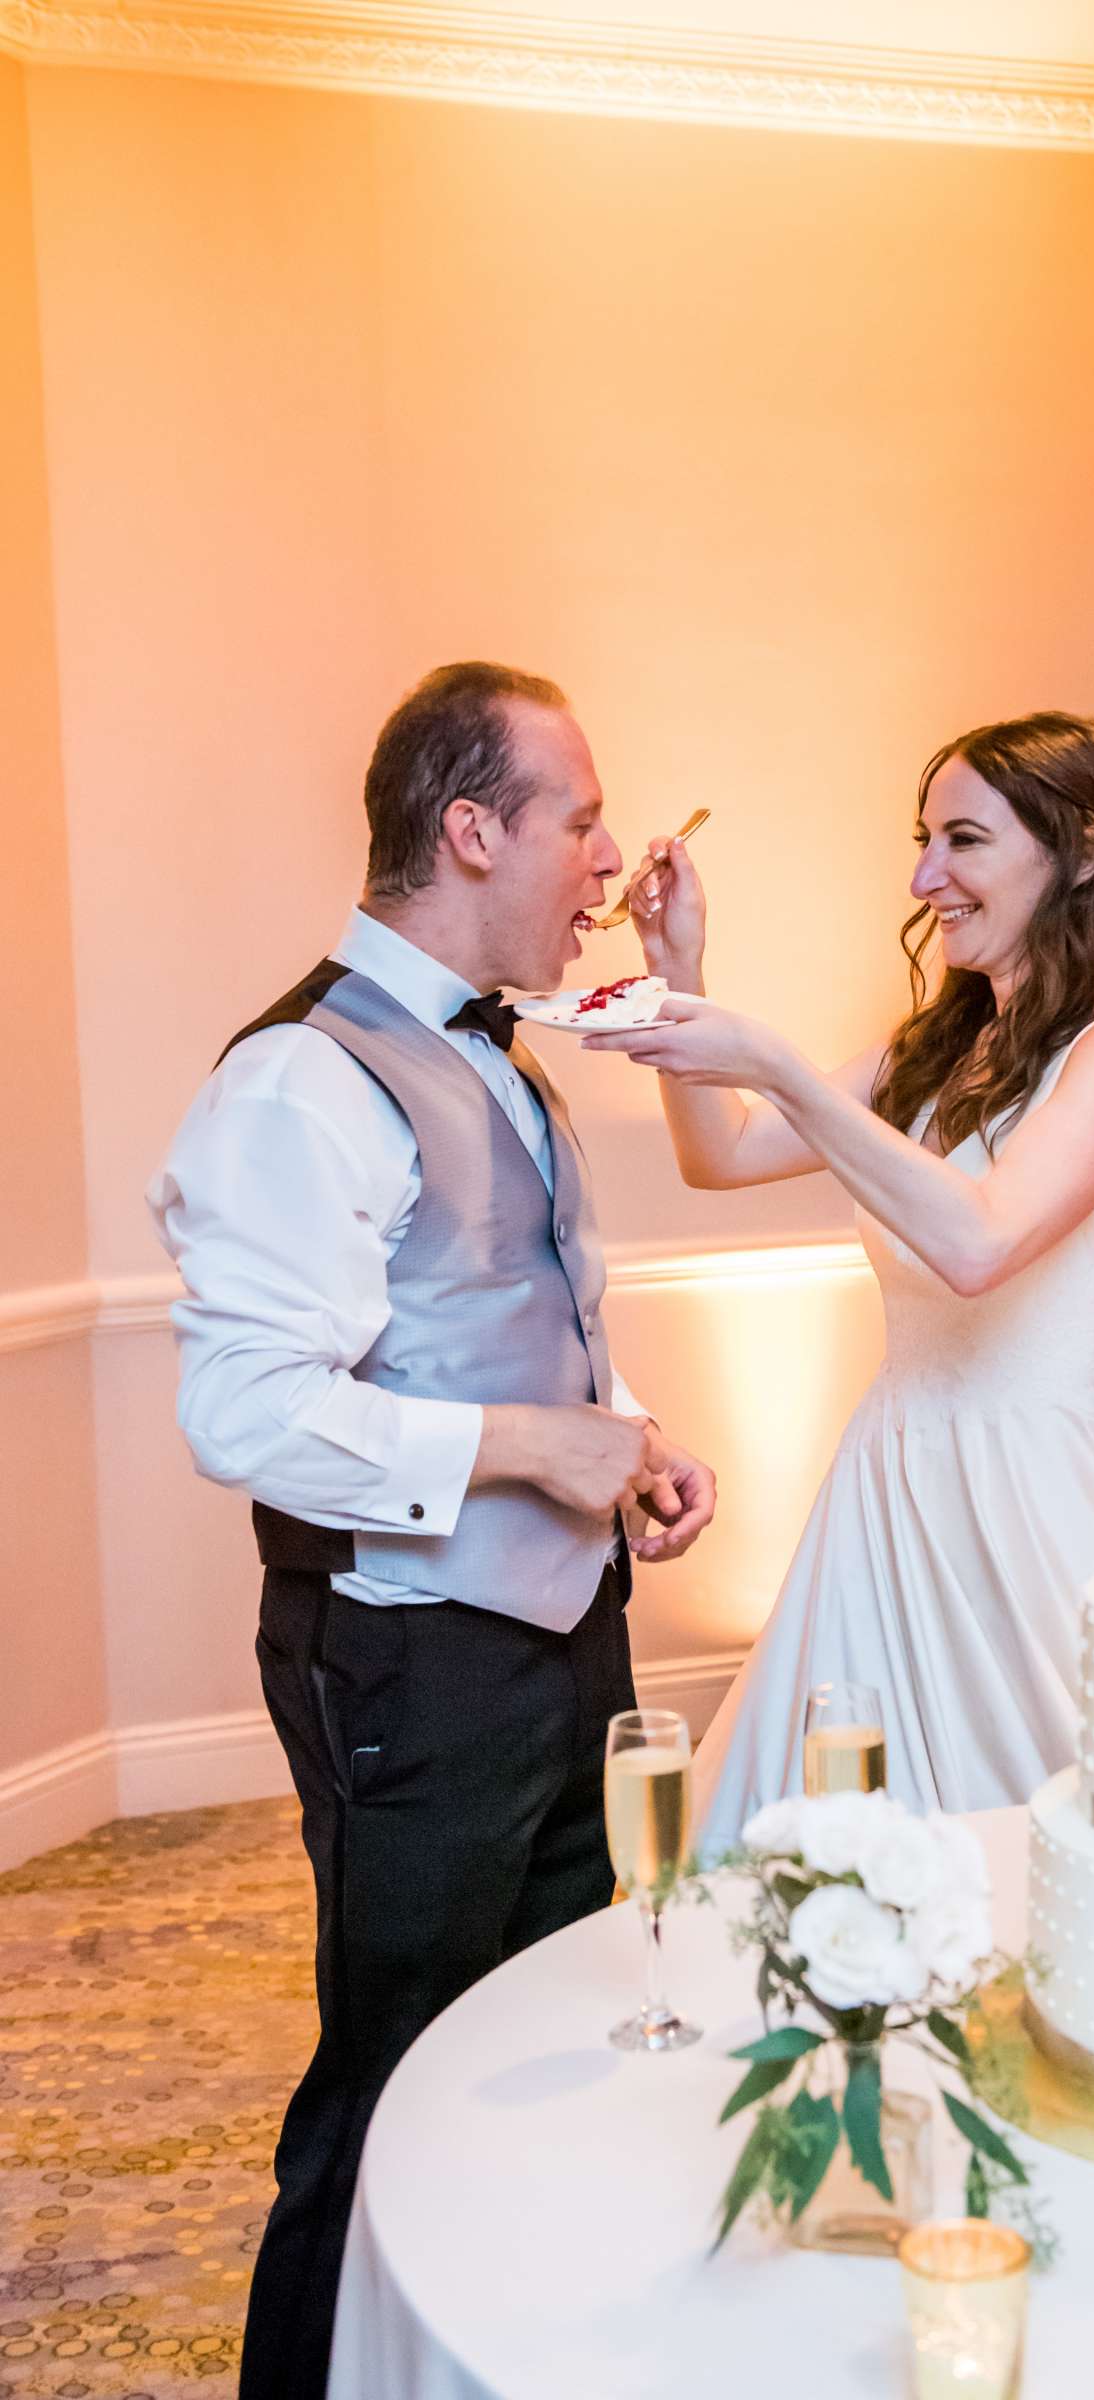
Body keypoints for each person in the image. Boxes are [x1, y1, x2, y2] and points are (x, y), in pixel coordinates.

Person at [148, 662, 716, 2399]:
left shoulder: (510, 1057)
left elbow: (486, 1316)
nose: (610, 855)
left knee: (546, 2033)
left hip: (562, 1637)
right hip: (409, 1654)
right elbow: (243, 1413)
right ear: (470, 829)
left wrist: (614, 1446)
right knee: (394, 2081)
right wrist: (526, 1442)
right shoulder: (296, 1081)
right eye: (584, 813)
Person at [584, 711, 1094, 1852]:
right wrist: (680, 973)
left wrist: (777, 1063)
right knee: (826, 1851)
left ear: (1084, 850)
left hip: (1037, 1498)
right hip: (888, 1479)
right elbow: (717, 1156)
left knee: (1078, 1842)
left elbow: (978, 1247)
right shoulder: (927, 1050)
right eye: (922, 842)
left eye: (962, 841)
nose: (925, 879)